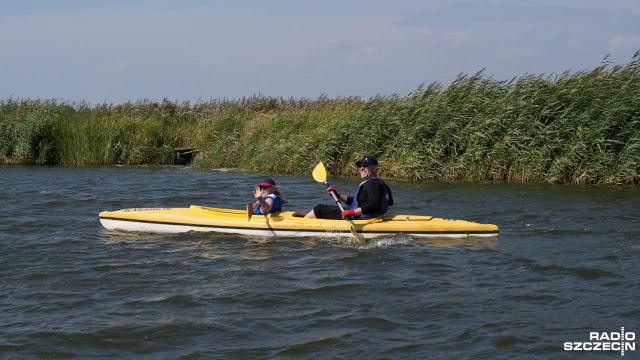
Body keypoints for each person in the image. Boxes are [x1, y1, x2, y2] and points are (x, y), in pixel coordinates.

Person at [305, 155, 393, 220]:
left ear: (375, 168)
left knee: (319, 209)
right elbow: (356, 201)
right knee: (330, 208)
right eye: (360, 166)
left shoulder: (372, 184)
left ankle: (302, 226)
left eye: (365, 165)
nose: (361, 168)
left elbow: (375, 205)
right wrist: (337, 195)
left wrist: (351, 212)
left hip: (358, 218)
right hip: (365, 216)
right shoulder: (381, 183)